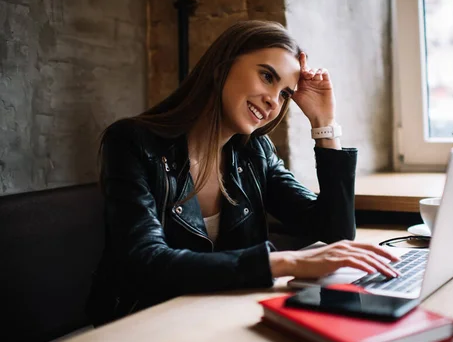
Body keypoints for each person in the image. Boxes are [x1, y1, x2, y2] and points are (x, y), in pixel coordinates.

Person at [87, 20, 399, 326]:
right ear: (223, 65)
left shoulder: (254, 154)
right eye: (267, 76)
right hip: (141, 325)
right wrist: (285, 262)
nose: (272, 102)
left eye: (285, 94)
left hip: (222, 319)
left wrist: (324, 124)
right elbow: (147, 262)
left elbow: (335, 229)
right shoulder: (132, 142)